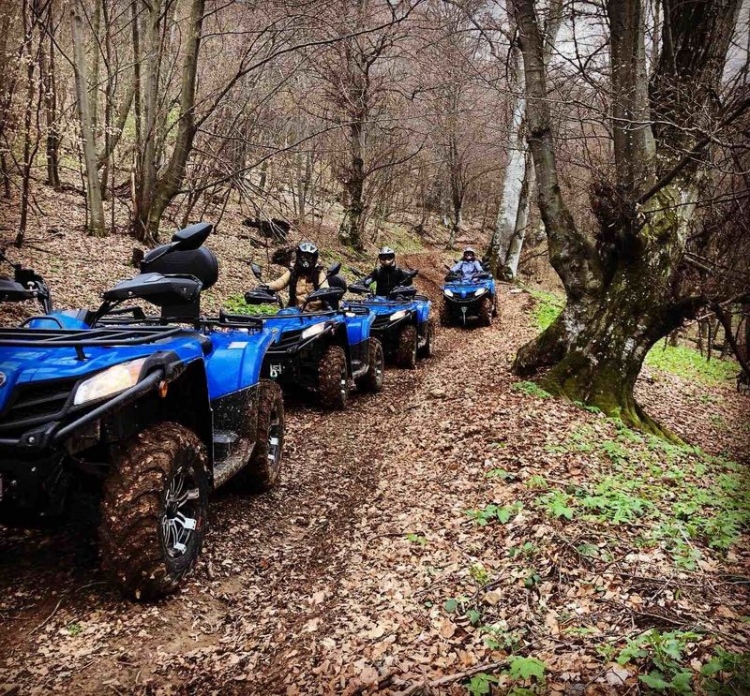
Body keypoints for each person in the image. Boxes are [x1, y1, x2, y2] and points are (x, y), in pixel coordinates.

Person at [265, 241, 329, 310]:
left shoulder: (318, 272)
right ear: (299, 256)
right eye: (303, 257)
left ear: (314, 259)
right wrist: (264, 287)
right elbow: (279, 283)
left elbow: (324, 286)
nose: (306, 260)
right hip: (295, 312)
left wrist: (323, 291)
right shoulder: (293, 271)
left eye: (309, 257)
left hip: (316, 313)